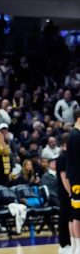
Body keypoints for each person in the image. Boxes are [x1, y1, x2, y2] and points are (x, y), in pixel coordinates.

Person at [57, 133, 73, 254]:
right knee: (65, 215)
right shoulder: (63, 157)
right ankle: (64, 241)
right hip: (65, 191)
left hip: (68, 190)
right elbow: (64, 176)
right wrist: (70, 192)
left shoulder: (67, 155)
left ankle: (70, 241)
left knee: (69, 216)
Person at [67, 109, 80, 254]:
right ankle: (78, 246)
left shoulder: (75, 135)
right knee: (77, 213)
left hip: (76, 179)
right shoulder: (75, 136)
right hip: (77, 180)